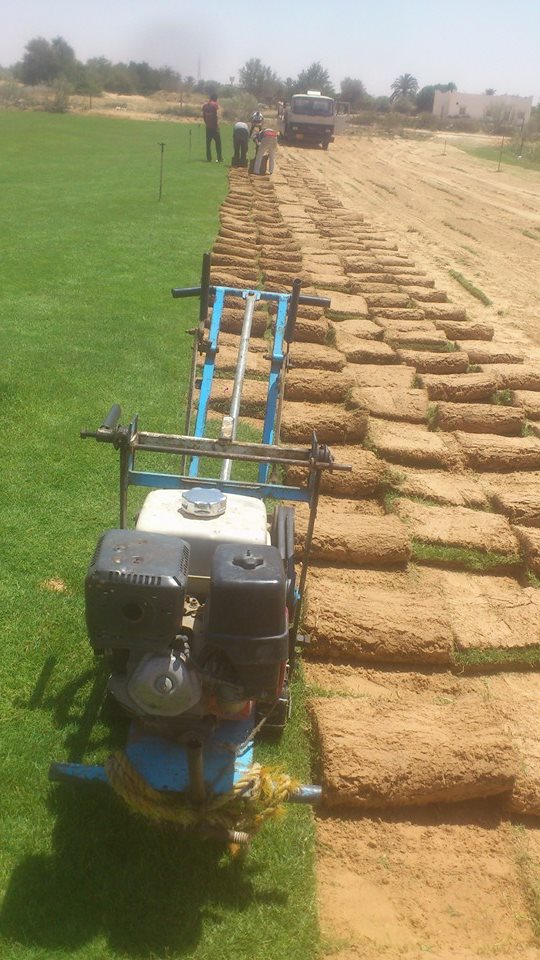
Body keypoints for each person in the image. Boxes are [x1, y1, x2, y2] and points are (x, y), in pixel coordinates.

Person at [202, 94, 223, 163]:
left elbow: (204, 116)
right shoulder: (215, 105)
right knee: (218, 143)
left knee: (208, 144)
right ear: (216, 99)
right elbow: (216, 116)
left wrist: (207, 124)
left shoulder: (205, 106)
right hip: (214, 127)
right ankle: (219, 158)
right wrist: (217, 126)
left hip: (208, 127)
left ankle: (209, 158)